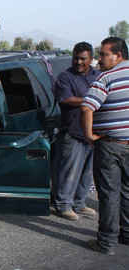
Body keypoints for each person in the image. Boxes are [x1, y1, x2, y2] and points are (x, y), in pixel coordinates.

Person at [80, 36, 129, 255]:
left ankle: (106, 242)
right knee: (127, 192)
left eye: (103, 54)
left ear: (118, 55)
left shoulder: (106, 78)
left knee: (109, 195)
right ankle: (126, 235)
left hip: (110, 145)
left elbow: (86, 108)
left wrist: (89, 136)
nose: (99, 59)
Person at [51, 42, 99, 220]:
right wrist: (93, 99)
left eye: (83, 59)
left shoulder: (98, 75)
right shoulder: (65, 77)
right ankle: (63, 205)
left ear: (91, 60)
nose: (78, 62)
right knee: (69, 171)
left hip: (93, 132)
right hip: (73, 131)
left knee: (87, 173)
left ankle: (79, 203)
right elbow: (66, 100)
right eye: (76, 58)